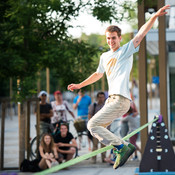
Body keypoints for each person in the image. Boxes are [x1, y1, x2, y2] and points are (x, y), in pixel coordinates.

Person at [67, 5, 170, 170]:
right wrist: (80, 85)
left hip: (120, 100)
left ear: (120, 38)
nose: (110, 41)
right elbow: (97, 74)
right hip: (110, 101)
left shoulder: (125, 51)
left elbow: (141, 33)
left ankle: (122, 147)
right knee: (96, 130)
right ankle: (120, 147)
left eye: (113, 38)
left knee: (91, 125)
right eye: (108, 38)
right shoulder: (104, 56)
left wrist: (154, 17)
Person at [88, 92, 106, 163]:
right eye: (100, 97)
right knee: (95, 145)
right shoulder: (94, 105)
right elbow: (89, 115)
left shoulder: (106, 106)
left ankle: (103, 159)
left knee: (104, 145)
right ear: (97, 98)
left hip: (104, 128)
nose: (101, 98)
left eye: (102, 97)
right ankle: (94, 159)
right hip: (95, 128)